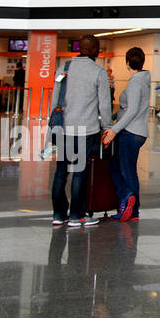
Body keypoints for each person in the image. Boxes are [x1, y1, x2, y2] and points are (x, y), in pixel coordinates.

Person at [50, 36, 112, 228]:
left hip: (63, 129)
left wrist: (52, 125)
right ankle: (77, 215)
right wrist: (107, 127)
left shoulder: (64, 69)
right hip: (86, 130)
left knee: (61, 173)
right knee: (79, 173)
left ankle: (59, 214)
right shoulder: (99, 72)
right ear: (94, 50)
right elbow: (105, 104)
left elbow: (55, 100)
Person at [101, 45, 149, 222]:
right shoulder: (143, 79)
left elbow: (132, 110)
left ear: (127, 62)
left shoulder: (136, 81)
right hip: (137, 131)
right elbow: (127, 109)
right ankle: (132, 209)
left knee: (122, 171)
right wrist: (113, 117)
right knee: (123, 169)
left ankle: (129, 200)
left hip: (131, 132)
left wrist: (114, 130)